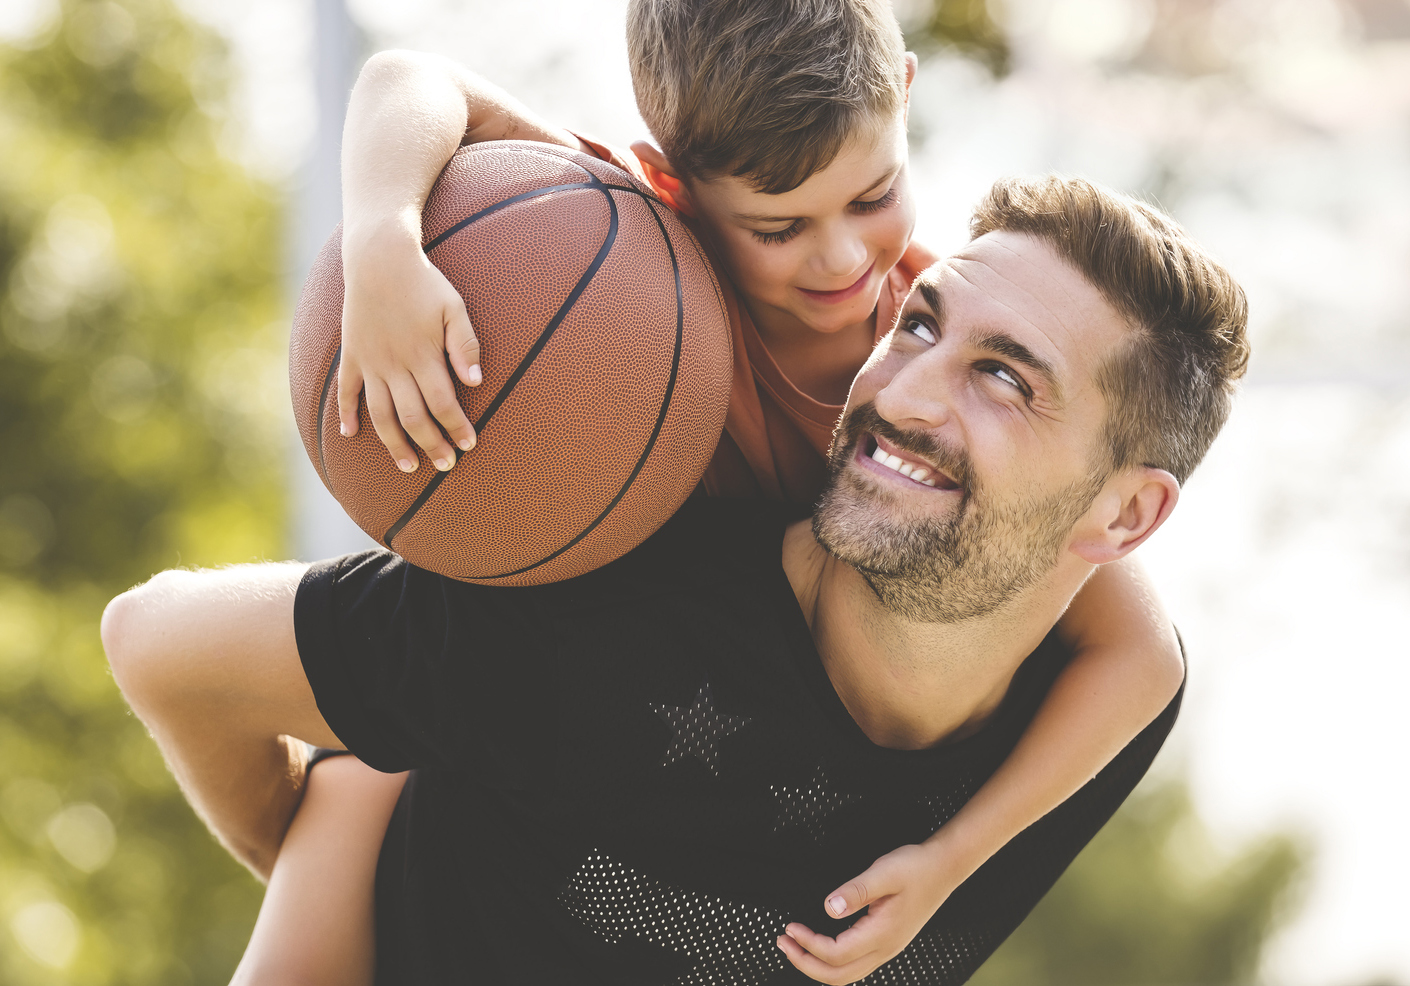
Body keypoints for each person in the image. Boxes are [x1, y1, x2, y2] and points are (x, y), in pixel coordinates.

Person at [291, 0, 1182, 979]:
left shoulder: (932, 367)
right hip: (523, 693)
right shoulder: (620, 274)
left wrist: (953, 857)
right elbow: (408, 83)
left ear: (900, 94)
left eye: (874, 193)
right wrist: (386, 239)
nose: (842, 256)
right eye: (778, 227)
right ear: (674, 183)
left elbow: (1142, 656)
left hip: (703, 763)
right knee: (366, 772)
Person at [103, 175, 1247, 985]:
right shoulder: (584, 623)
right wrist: (302, 837)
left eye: (1005, 378)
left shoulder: (1092, 718)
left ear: (1127, 514)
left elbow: (1143, 650)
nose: (902, 394)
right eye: (920, 324)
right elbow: (154, 641)